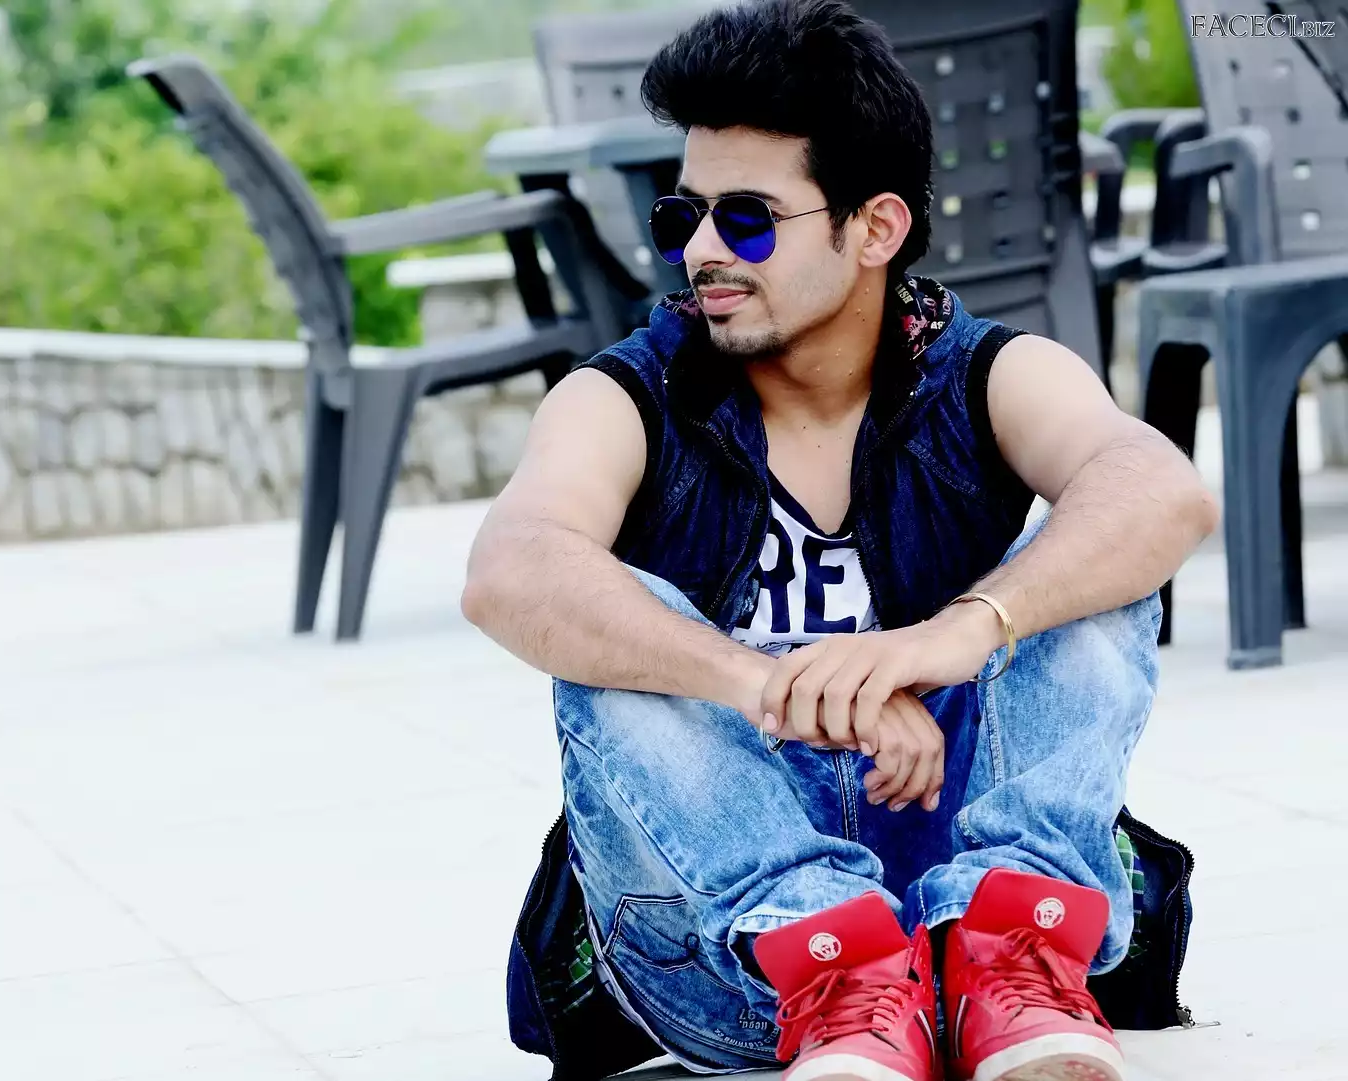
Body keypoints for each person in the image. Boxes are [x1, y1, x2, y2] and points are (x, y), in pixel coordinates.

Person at [459, 2, 1218, 1079]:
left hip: (963, 888)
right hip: (740, 951)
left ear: (875, 229)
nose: (703, 252)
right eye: (684, 216)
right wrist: (774, 685)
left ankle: (1011, 948)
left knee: (1088, 565)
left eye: (749, 219)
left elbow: (1161, 490)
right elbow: (510, 568)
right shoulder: (628, 395)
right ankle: (839, 966)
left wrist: (955, 635)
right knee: (616, 624)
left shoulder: (987, 374)